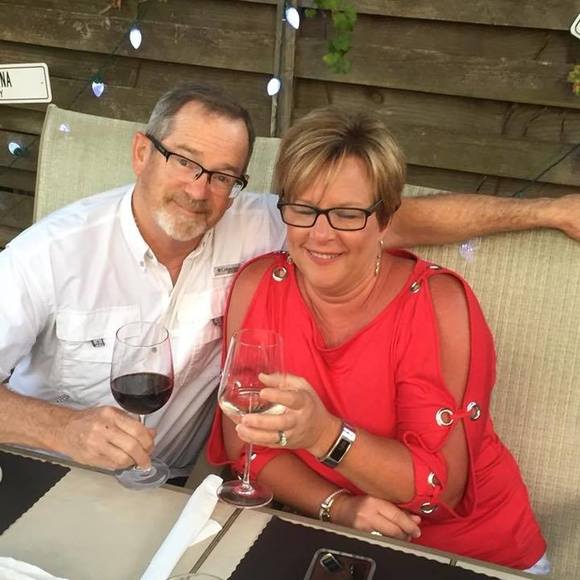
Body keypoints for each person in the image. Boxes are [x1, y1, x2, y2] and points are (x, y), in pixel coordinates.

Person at [0, 83, 578, 479]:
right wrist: (63, 429)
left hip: (168, 490)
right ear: (140, 153)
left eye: (223, 175)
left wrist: (548, 211)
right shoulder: (48, 255)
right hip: (43, 473)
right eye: (185, 161)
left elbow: (393, 219)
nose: (200, 190)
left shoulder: (265, 222)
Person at [207, 106, 549, 573]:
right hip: (334, 540)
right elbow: (247, 444)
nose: (320, 234)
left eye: (347, 214)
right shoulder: (258, 285)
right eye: (304, 209)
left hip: (470, 553)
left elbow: (439, 490)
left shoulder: (437, 304)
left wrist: (325, 435)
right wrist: (336, 506)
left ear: (385, 219)